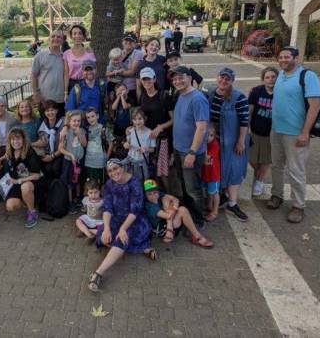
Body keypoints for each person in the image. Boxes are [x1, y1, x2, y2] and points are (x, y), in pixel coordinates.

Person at [269, 47, 320, 223]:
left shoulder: (307, 76)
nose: (283, 60)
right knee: (276, 166)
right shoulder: (280, 76)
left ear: (296, 58)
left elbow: (315, 106)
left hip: (295, 133)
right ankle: (277, 195)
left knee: (296, 170)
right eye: (281, 57)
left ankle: (298, 205)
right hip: (276, 130)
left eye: (287, 57)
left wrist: (305, 132)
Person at [87, 158, 156, 293]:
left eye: (116, 168)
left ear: (122, 168)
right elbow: (107, 208)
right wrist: (107, 228)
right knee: (104, 238)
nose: (113, 173)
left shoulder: (135, 182)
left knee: (121, 238)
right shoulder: (109, 184)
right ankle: (140, 248)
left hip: (135, 220)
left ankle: (98, 274)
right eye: (110, 171)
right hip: (116, 218)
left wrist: (123, 229)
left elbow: (135, 210)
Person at [208, 67, 250, 222]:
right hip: (215, 139)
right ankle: (223, 197)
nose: (223, 81)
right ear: (217, 77)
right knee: (220, 168)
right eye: (222, 77)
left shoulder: (238, 97)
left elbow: (244, 120)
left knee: (234, 170)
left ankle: (232, 203)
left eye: (227, 79)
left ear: (232, 81)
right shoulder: (211, 93)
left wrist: (240, 141)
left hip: (233, 140)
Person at [170, 65, 208, 225]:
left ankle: (198, 220)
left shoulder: (198, 98)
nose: (177, 81)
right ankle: (188, 216)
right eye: (175, 79)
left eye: (181, 78)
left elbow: (202, 128)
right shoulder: (181, 95)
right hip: (179, 149)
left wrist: (192, 152)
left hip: (190, 152)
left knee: (193, 188)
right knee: (184, 185)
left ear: (190, 78)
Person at [0, 128, 43, 228]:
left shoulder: (30, 152)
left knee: (25, 187)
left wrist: (18, 181)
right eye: (13, 139)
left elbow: (37, 175)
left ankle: (32, 211)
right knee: (10, 206)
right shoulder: (10, 151)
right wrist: (0, 159)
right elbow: (6, 155)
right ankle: (27, 201)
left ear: (23, 139)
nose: (15, 142)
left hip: (31, 181)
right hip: (16, 182)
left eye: (18, 139)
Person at [143, 179, 212, 247]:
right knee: (167, 201)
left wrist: (173, 206)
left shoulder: (159, 195)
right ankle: (192, 234)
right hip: (162, 230)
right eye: (149, 194)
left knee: (178, 207)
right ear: (145, 195)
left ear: (158, 192)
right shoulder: (150, 206)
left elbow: (175, 199)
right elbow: (168, 216)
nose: (153, 196)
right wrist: (172, 206)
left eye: (155, 192)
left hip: (169, 225)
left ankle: (196, 235)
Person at [136, 67, 174, 187]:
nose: (147, 81)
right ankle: (152, 194)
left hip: (162, 139)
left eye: (149, 78)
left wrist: (160, 127)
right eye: (144, 79)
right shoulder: (142, 96)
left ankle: (165, 194)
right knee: (149, 170)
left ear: (154, 79)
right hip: (147, 139)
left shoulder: (164, 95)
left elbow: (174, 119)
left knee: (162, 171)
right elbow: (142, 118)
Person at [248, 67, 278, 197]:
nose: (270, 79)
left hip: (272, 133)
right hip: (256, 131)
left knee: (266, 160)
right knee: (251, 158)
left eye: (273, 77)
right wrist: (246, 129)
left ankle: (259, 181)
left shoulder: (281, 92)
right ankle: (258, 175)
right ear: (263, 79)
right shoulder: (256, 91)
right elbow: (249, 112)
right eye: (267, 77)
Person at [36, 100, 64, 207]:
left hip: (60, 153)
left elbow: (64, 145)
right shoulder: (43, 125)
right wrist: (45, 155)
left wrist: (52, 156)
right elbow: (42, 144)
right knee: (46, 169)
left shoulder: (63, 123)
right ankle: (48, 196)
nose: (50, 113)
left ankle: (58, 193)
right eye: (47, 111)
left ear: (56, 111)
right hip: (47, 154)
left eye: (52, 110)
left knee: (55, 168)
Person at [32, 30, 66, 118]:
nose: (56, 38)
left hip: (61, 99)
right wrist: (35, 93)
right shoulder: (40, 55)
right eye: (53, 36)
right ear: (49, 39)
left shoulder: (65, 57)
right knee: (45, 124)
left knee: (60, 124)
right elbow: (34, 75)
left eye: (59, 37)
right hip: (44, 99)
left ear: (62, 40)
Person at [58, 110, 87, 212]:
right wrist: (70, 155)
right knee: (70, 183)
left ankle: (77, 199)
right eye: (74, 121)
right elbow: (60, 149)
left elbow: (84, 144)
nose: (76, 123)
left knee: (78, 181)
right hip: (69, 162)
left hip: (79, 161)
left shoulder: (82, 131)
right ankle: (70, 202)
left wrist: (80, 134)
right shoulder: (66, 132)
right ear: (69, 121)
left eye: (78, 121)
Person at [63, 24, 96, 94]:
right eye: (74, 33)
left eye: (80, 33)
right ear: (71, 36)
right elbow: (66, 74)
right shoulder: (66, 53)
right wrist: (65, 92)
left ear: (83, 36)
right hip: (71, 85)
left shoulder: (89, 53)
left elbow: (94, 72)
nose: (77, 36)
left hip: (86, 83)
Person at [84, 107, 113, 185]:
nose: (91, 119)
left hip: (100, 161)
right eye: (88, 117)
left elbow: (111, 143)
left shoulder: (104, 129)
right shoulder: (87, 129)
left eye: (92, 116)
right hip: (88, 161)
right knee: (90, 183)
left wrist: (107, 156)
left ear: (97, 116)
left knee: (101, 183)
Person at [124, 108, 155, 180]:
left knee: (142, 179)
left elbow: (153, 149)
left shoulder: (150, 132)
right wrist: (126, 144)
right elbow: (127, 143)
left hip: (142, 161)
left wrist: (145, 149)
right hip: (131, 159)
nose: (137, 122)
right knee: (131, 179)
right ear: (132, 120)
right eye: (135, 119)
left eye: (140, 118)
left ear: (145, 118)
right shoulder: (130, 130)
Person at [202, 126, 221, 221]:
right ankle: (209, 206)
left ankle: (215, 211)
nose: (208, 138)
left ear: (214, 136)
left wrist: (203, 146)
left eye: (211, 135)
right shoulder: (205, 144)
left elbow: (207, 157)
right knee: (209, 191)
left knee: (214, 193)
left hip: (213, 175)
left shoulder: (215, 145)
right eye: (206, 135)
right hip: (206, 174)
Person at [120, 32, 144, 104]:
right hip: (119, 87)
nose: (128, 42)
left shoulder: (138, 53)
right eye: (126, 40)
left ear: (135, 43)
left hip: (131, 88)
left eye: (131, 41)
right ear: (122, 42)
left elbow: (132, 72)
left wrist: (115, 72)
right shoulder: (119, 53)